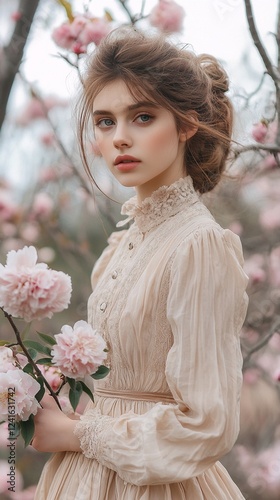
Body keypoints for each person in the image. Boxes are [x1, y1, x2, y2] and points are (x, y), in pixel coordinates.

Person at [33, 28, 249, 499]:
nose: (120, 139)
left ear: (187, 124)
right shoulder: (123, 242)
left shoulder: (200, 246)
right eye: (105, 122)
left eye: (143, 116)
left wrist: (76, 434)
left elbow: (207, 425)